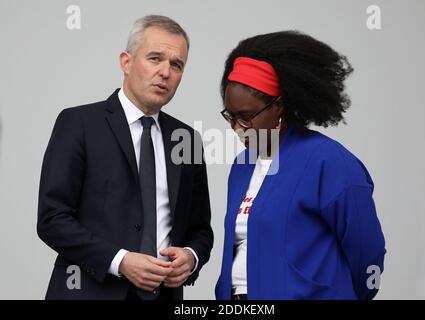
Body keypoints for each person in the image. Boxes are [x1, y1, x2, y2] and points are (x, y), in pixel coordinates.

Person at [37, 15, 213, 300]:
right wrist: (121, 261)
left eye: (176, 64)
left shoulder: (187, 139)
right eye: (155, 58)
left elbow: (200, 229)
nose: (165, 72)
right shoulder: (78, 123)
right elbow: (52, 219)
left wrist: (191, 257)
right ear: (126, 61)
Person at [215, 31, 386, 300]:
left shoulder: (327, 162)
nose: (237, 128)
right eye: (231, 117)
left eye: (247, 117)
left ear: (279, 106)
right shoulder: (242, 166)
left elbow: (366, 251)